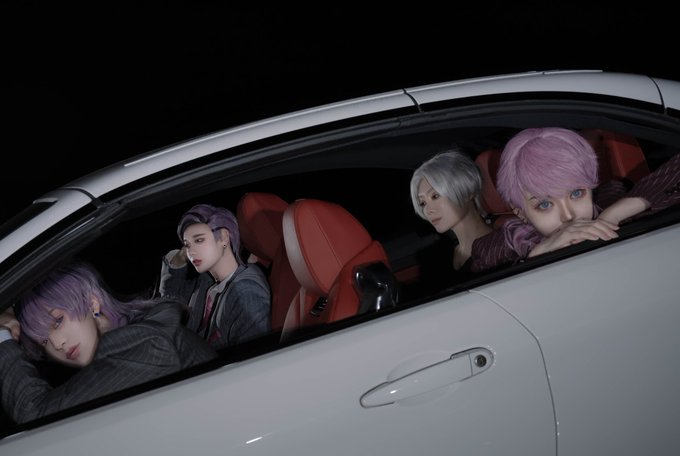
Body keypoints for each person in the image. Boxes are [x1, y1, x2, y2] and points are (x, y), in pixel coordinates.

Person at [0, 260, 217, 424]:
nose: (57, 344)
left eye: (58, 321)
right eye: (44, 341)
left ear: (92, 303)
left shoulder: (146, 346)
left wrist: (2, 336)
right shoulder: (135, 339)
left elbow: (36, 414)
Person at [470, 127, 680, 272]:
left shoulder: (614, 201)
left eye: (577, 193)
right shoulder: (502, 246)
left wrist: (612, 216)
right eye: (545, 204)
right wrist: (537, 256)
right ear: (521, 213)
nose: (568, 216)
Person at [159, 203, 271, 349]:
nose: (191, 252)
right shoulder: (206, 281)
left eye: (199, 240)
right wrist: (179, 258)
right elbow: (170, 304)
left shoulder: (246, 293)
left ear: (224, 237)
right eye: (187, 245)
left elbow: (253, 356)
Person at [410, 150, 493, 274]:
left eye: (435, 196)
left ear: (467, 190)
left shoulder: (502, 249)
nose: (428, 210)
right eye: (422, 203)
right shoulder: (437, 259)